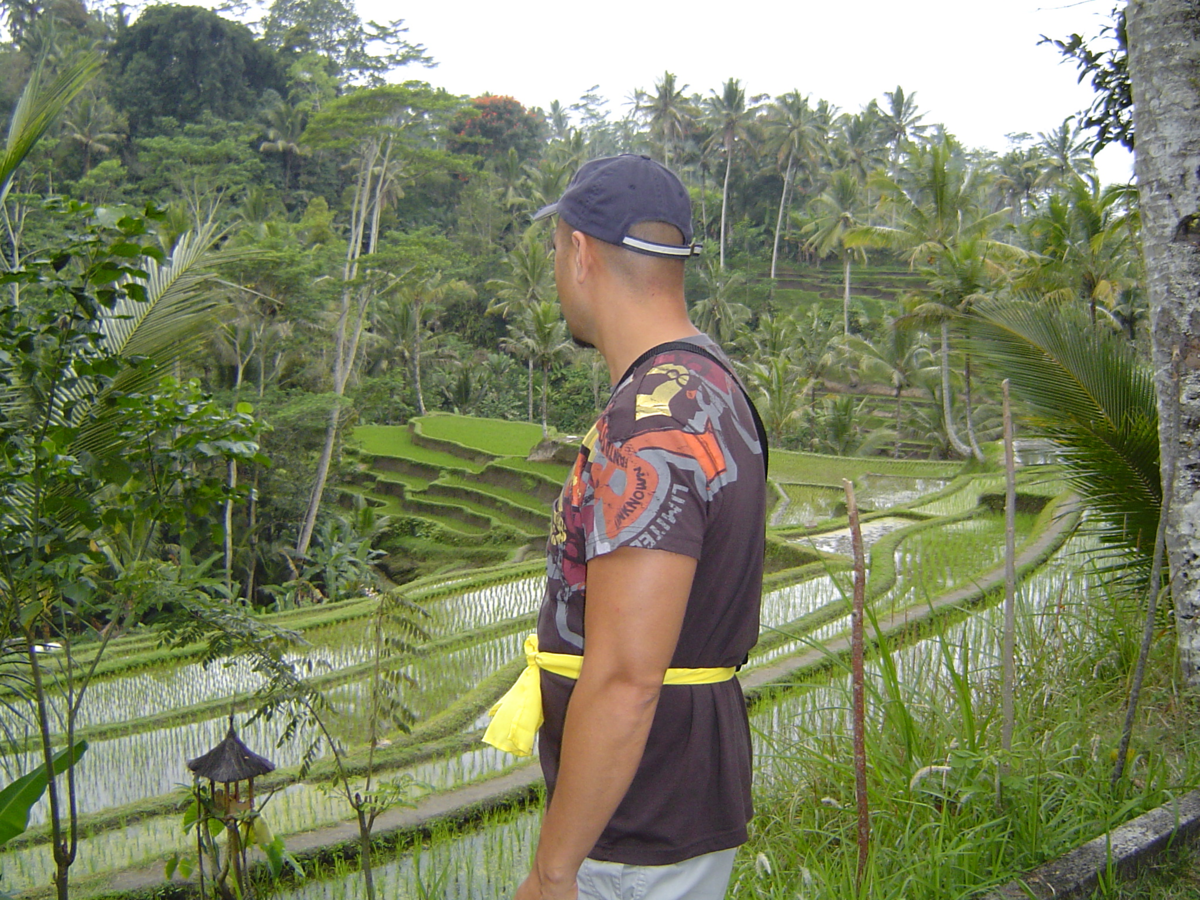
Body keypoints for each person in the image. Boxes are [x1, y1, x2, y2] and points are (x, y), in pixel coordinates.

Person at [484, 154, 766, 900]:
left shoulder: (648, 423)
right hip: (676, 798)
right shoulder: (710, 381)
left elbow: (625, 679)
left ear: (580, 252)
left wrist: (553, 871)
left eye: (556, 249)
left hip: (637, 824)